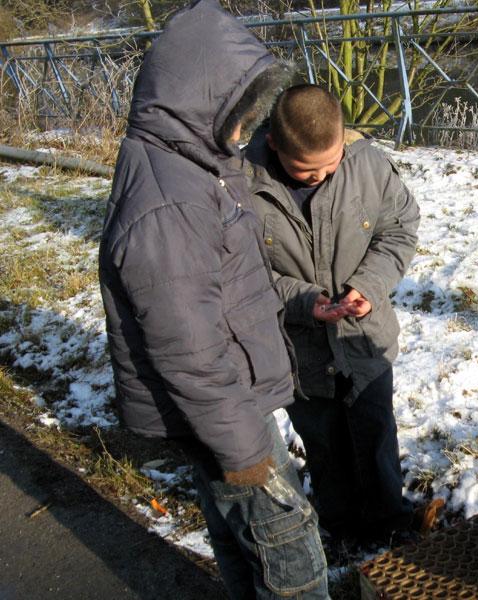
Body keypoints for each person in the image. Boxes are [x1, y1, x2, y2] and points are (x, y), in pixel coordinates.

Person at [97, 2, 329, 598]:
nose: (249, 122)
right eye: (241, 104)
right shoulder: (170, 201)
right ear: (197, 98)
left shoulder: (195, 164)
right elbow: (186, 349)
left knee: (242, 540)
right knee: (290, 553)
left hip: (228, 401)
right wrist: (245, 451)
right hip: (229, 413)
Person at [243, 84, 421, 545]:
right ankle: (339, 528)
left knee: (376, 433)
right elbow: (239, 274)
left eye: (331, 163)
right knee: (321, 442)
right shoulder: (241, 183)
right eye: (306, 170)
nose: (321, 176)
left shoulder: (368, 163)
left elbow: (399, 229)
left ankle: (390, 521)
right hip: (297, 347)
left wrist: (370, 284)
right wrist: (304, 301)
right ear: (273, 144)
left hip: (364, 338)